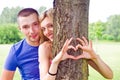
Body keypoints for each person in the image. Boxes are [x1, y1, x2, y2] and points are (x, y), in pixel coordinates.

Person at [38, 8, 113, 80]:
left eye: (50, 26)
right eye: (43, 29)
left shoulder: (76, 45)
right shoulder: (45, 48)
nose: (46, 32)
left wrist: (95, 57)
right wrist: (55, 62)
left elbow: (109, 75)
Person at [0, 8, 42, 80]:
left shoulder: (52, 43)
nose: (32, 31)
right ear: (20, 29)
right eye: (25, 27)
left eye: (35, 24)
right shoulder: (16, 51)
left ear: (40, 23)